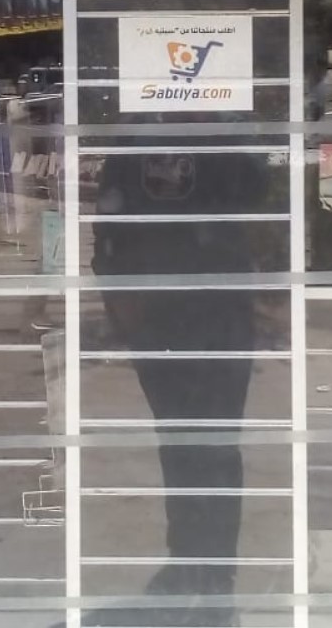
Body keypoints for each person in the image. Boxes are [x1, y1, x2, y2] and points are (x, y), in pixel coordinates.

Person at [91, 144, 268, 627]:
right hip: (155, 319)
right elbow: (107, 227)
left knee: (219, 447)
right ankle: (184, 562)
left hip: (222, 317)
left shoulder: (228, 138)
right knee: (177, 442)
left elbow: (260, 192)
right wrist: (118, 304)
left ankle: (217, 576)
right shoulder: (134, 142)